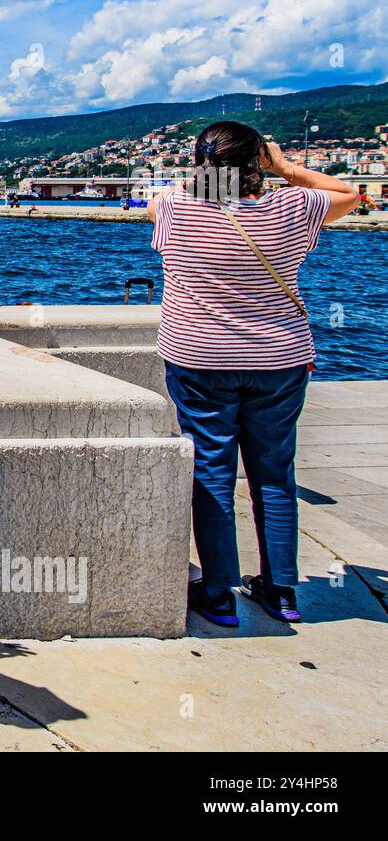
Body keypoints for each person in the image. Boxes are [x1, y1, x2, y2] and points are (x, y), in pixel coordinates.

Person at [151, 120, 358, 627]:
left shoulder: (177, 207)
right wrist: (284, 168)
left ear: (201, 162)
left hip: (201, 361)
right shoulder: (293, 207)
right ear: (257, 161)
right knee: (273, 473)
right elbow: (350, 194)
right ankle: (282, 590)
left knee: (213, 472)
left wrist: (209, 169)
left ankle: (219, 594)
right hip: (280, 363)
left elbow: (164, 198)